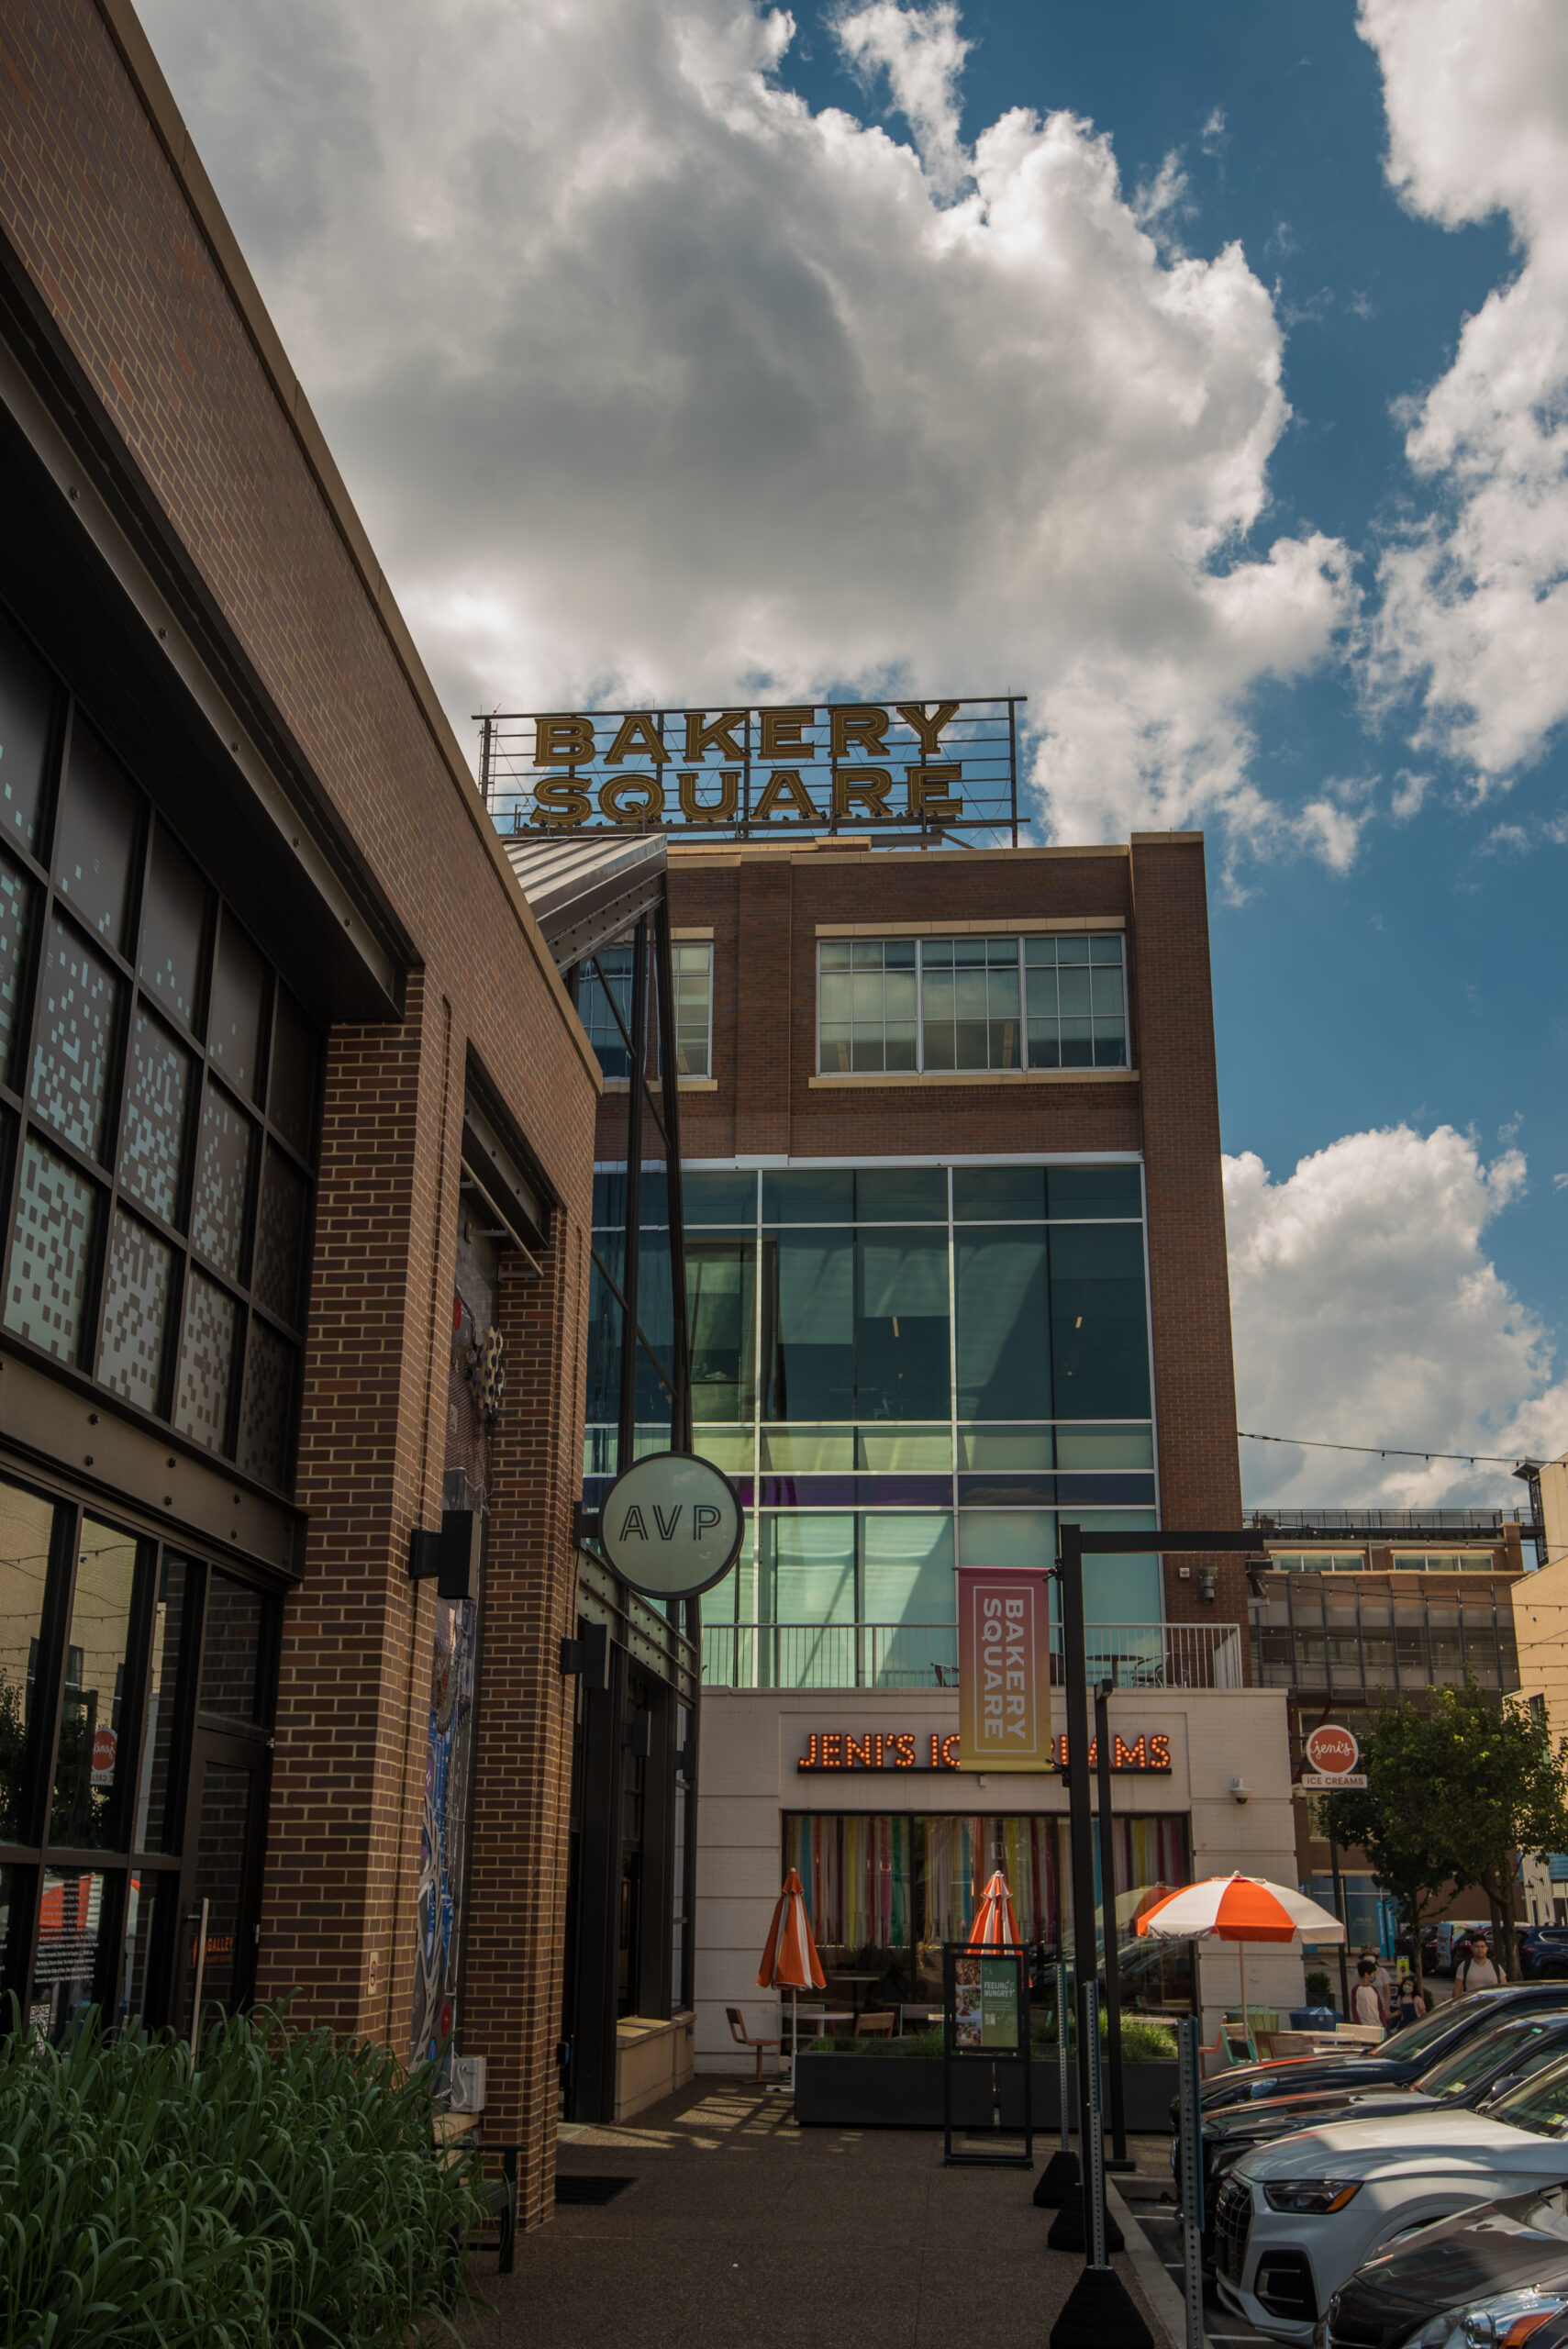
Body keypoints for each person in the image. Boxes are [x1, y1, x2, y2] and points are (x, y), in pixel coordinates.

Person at [1453, 1933, 1507, 1998]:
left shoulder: (1496, 1967)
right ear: (1472, 1948)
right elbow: (1457, 1989)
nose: (1479, 1949)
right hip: (1472, 2005)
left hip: (1492, 2005)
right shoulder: (1464, 1966)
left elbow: (1504, 1989)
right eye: (1476, 1947)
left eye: (1482, 1947)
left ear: (1486, 1948)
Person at [1351, 1956, 1387, 2029]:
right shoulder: (1356, 1990)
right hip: (1364, 2027)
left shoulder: (1373, 1989)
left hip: (1378, 2026)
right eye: (1373, 1973)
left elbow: (1379, 2008)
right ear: (1366, 1974)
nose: (1374, 1975)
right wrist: (1359, 2025)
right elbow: (1354, 2009)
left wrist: (1384, 2026)